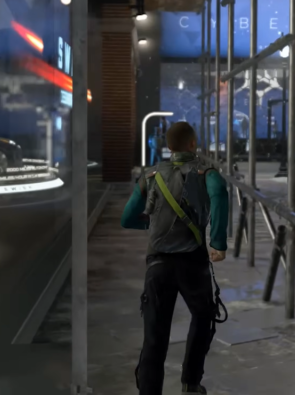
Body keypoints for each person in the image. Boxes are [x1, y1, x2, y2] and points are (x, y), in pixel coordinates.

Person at [121, 121, 228, 394]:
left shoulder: (150, 176)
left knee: (155, 333)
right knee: (203, 318)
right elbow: (219, 195)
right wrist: (217, 243)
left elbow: (127, 218)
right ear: (193, 144)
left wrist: (153, 223)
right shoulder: (206, 174)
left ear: (168, 146)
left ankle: (149, 390)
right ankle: (191, 383)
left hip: (158, 264)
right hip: (193, 263)